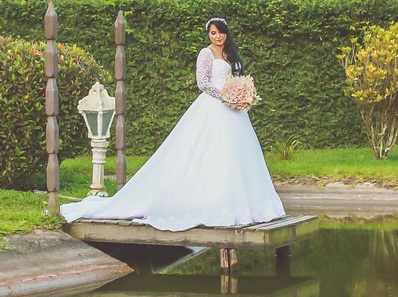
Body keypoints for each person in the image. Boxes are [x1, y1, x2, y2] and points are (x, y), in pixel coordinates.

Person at [61, 16, 285, 231]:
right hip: (215, 105)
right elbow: (203, 82)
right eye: (213, 33)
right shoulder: (206, 54)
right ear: (209, 34)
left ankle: (244, 205)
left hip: (234, 112)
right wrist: (225, 96)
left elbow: (234, 78)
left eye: (221, 33)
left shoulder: (231, 53)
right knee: (211, 150)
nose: (218, 37)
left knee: (237, 154)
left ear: (226, 34)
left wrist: (240, 95)